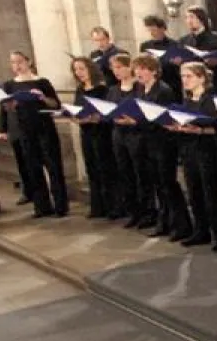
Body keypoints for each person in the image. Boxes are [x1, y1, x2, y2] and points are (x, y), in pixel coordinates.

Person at [0, 50, 69, 219]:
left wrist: (43, 98)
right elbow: (5, 109)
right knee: (32, 167)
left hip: (44, 127)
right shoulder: (9, 85)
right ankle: (42, 207)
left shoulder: (42, 82)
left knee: (53, 166)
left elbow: (55, 104)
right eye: (13, 62)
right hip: (24, 128)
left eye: (20, 61)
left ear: (28, 62)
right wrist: (9, 110)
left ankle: (60, 205)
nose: (17, 65)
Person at [131, 53, 191, 240]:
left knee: (168, 184)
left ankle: (181, 225)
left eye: (142, 69)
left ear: (154, 71)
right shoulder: (141, 90)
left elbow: (163, 118)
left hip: (164, 143)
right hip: (148, 142)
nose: (138, 73)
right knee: (158, 185)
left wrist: (137, 120)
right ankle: (164, 222)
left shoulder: (163, 90)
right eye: (137, 69)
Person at [174, 62, 217, 250]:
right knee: (194, 192)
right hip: (190, 149)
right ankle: (201, 231)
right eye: (182, 76)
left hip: (208, 150)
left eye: (189, 76)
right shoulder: (188, 100)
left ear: (201, 77)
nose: (185, 80)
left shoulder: (212, 99)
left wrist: (199, 130)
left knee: (210, 194)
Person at [69, 56, 121, 219]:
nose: (79, 73)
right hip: (86, 132)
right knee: (92, 168)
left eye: (82, 69)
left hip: (102, 133)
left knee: (106, 168)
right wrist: (75, 117)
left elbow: (109, 111)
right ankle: (98, 207)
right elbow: (76, 109)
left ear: (90, 69)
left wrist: (96, 117)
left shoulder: (103, 89)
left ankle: (114, 206)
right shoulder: (80, 89)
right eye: (76, 70)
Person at [108, 53, 157, 229]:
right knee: (125, 172)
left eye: (120, 67)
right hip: (119, 134)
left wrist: (133, 120)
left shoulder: (140, 88)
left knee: (141, 174)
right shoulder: (113, 90)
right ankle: (134, 211)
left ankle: (148, 212)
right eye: (114, 68)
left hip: (137, 134)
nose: (117, 71)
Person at [180, 5, 217, 96]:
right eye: (187, 18)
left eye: (192, 17)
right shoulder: (184, 41)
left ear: (201, 19)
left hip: (213, 85)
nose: (189, 21)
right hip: (192, 88)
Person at [138, 14, 182, 92]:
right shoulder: (145, 45)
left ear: (162, 29)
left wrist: (176, 62)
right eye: (149, 30)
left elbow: (179, 64)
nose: (151, 33)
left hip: (172, 82)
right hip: (152, 83)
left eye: (154, 30)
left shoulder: (174, 44)